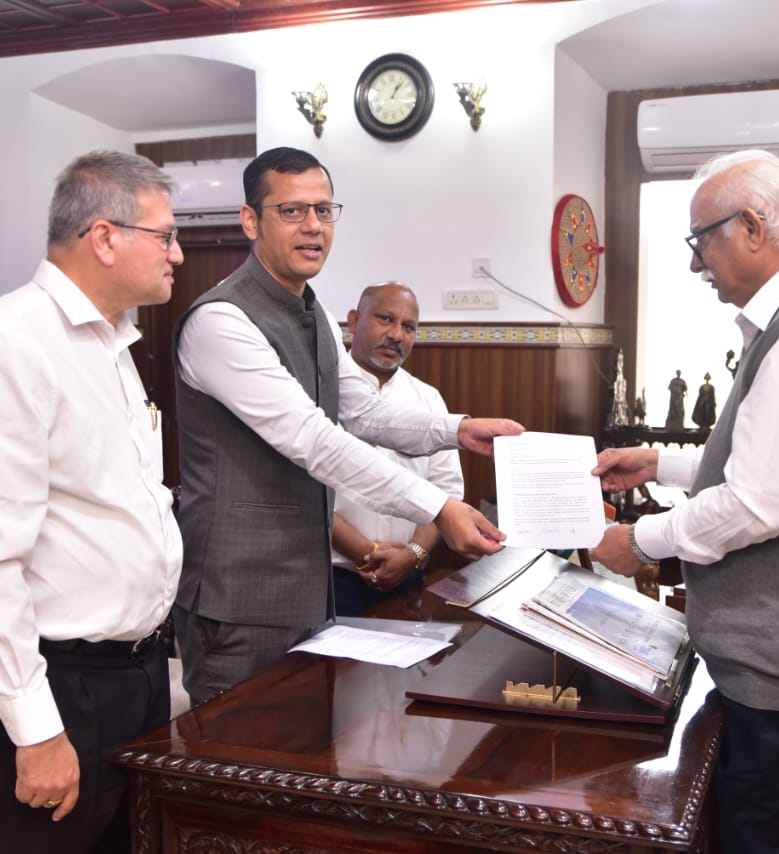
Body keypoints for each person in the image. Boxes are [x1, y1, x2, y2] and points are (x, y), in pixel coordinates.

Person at [590, 149, 779, 853]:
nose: (694, 263)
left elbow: (756, 504)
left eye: (700, 239)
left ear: (754, 226)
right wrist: (660, 462)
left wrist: (638, 540)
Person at [173, 146, 522, 704]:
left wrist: (458, 429)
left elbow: (362, 412)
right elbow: (314, 440)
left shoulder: (314, 314)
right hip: (237, 598)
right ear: (250, 221)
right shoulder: (221, 320)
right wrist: (437, 507)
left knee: (309, 748)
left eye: (323, 209)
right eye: (291, 211)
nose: (313, 225)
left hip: (307, 592)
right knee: (236, 752)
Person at [0, 150, 184, 853]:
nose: (176, 253)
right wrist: (36, 729)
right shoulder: (7, 345)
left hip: (133, 670)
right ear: (105, 238)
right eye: (165, 236)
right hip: (59, 681)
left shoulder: (112, 341)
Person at [330, 282, 464, 616]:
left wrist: (414, 554)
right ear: (353, 321)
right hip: (333, 578)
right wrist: (366, 554)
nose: (396, 335)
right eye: (385, 319)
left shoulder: (428, 399)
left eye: (408, 327)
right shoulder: (320, 392)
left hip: (408, 576)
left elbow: (446, 491)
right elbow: (304, 491)